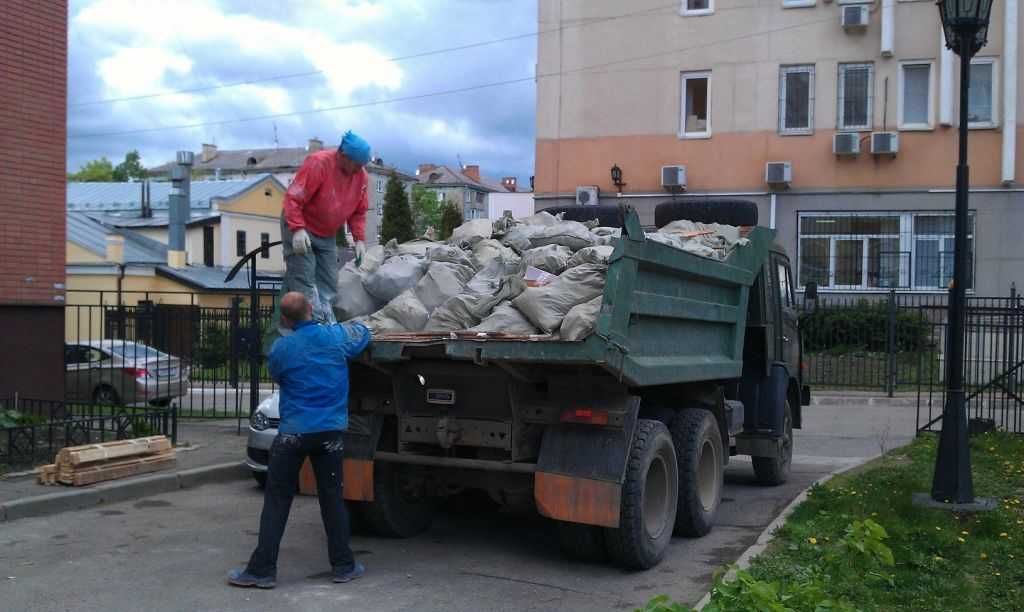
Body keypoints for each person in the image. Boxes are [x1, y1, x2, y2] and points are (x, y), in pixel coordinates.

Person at [229, 291, 373, 589]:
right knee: (332, 498)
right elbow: (363, 335)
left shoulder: (282, 348)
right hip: (329, 434)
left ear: (284, 319)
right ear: (311, 309)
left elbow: (279, 375)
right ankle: (343, 565)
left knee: (277, 501)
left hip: (293, 434)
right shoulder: (335, 337)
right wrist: (357, 325)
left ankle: (262, 571)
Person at [279, 130, 372, 326]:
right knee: (304, 278)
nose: (358, 169)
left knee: (329, 280)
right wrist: (296, 228)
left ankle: (325, 320)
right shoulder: (319, 163)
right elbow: (294, 197)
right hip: (301, 226)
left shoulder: (360, 177)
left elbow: (358, 211)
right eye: (356, 164)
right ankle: (310, 326)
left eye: (361, 166)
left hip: (326, 233)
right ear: (343, 156)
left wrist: (359, 239)